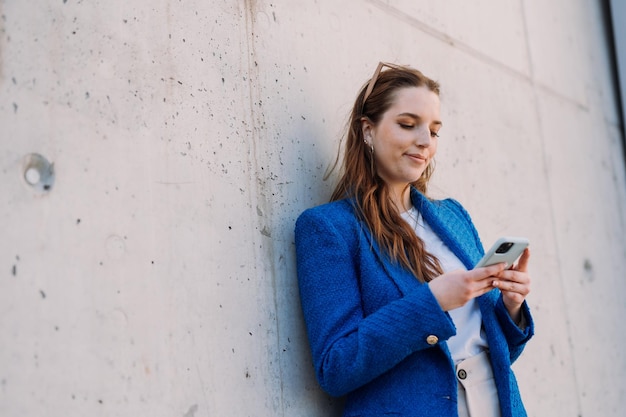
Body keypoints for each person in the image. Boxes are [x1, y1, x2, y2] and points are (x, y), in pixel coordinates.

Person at [294, 62, 534, 417]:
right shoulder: (329, 229)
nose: (425, 141)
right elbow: (335, 366)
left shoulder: (452, 216)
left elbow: (497, 353)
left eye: (434, 131)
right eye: (408, 125)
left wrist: (511, 307)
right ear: (367, 131)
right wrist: (432, 302)